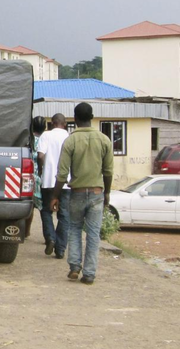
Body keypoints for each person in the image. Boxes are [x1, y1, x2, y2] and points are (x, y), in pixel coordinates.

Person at [51, 103, 113, 285]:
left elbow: (62, 174)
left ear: (75, 119)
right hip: (96, 193)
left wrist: (55, 195)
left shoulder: (70, 141)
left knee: (74, 229)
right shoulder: (104, 140)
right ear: (92, 117)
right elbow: (108, 171)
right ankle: (89, 273)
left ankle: (74, 267)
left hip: (76, 193)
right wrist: (107, 192)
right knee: (93, 234)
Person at [38, 113, 71, 258]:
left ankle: (50, 238)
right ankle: (61, 248)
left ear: (52, 123)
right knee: (64, 215)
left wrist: (43, 170)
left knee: (46, 210)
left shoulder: (46, 135)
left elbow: (40, 155)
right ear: (64, 124)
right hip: (66, 182)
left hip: (48, 181)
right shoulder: (69, 137)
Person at [25, 116, 46, 240]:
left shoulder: (28, 140)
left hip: (27, 176)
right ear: (45, 127)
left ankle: (25, 231)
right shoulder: (44, 141)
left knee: (28, 205)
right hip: (39, 177)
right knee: (41, 207)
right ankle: (46, 235)